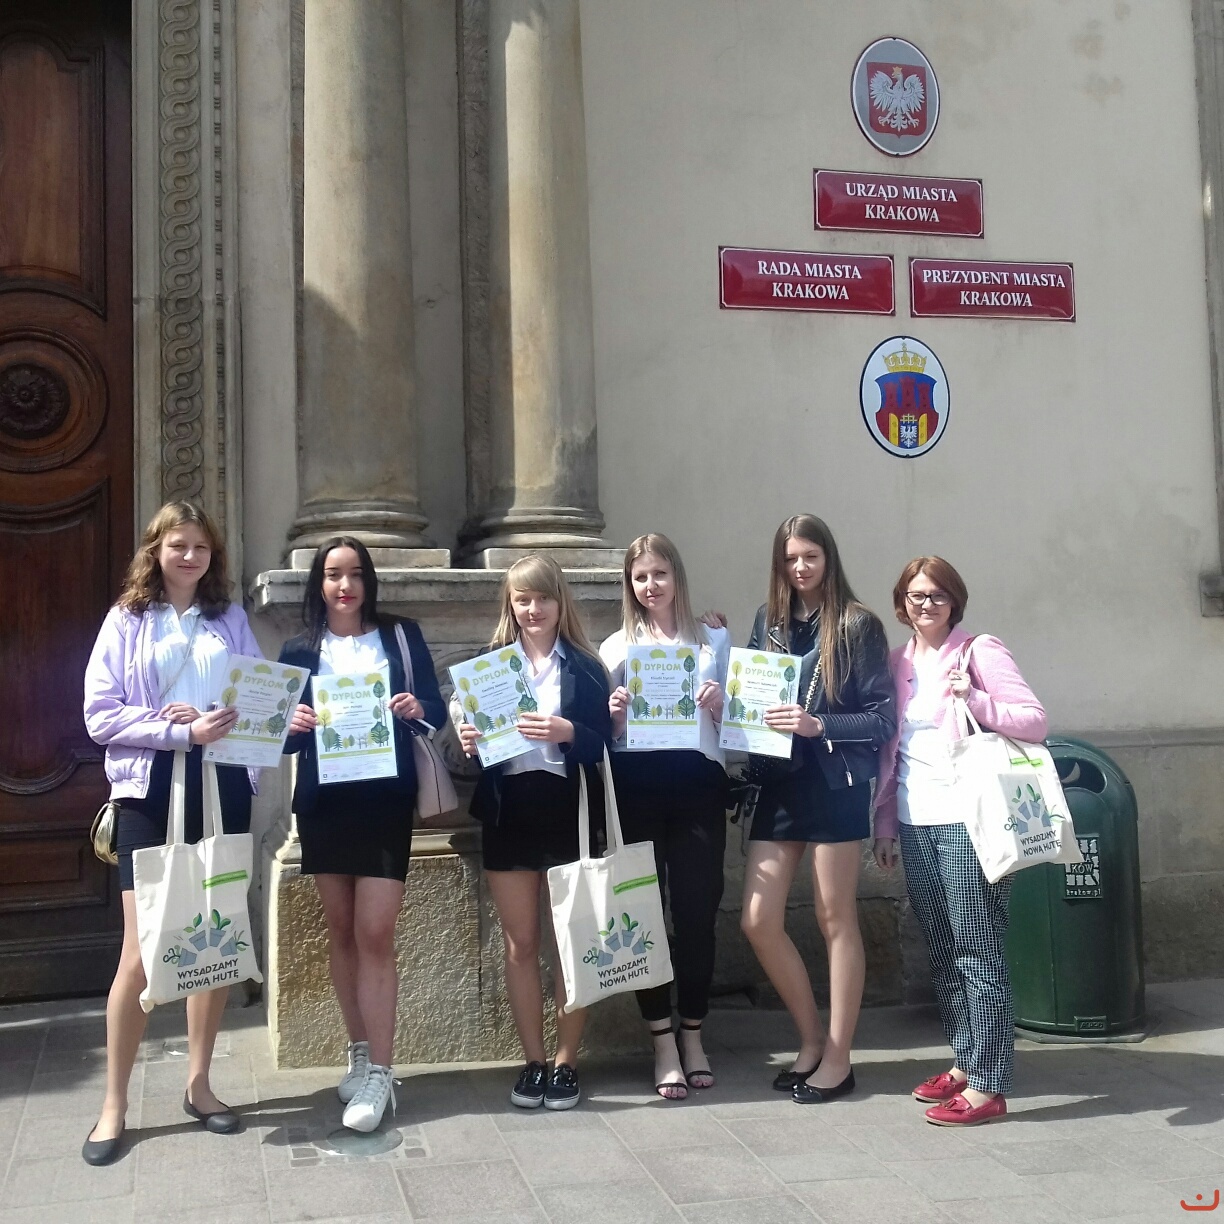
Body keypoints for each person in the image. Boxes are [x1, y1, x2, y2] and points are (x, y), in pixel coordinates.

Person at [81, 502, 259, 1165]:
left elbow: (257, 699)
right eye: (178, 545)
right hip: (148, 790)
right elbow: (100, 714)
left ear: (214, 556)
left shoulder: (229, 619)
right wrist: (176, 728)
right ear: (155, 550)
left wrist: (228, 719)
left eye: (201, 547)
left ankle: (199, 1083)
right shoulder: (128, 620)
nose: (190, 556)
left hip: (222, 785)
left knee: (213, 934)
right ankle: (114, 1105)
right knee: (140, 949)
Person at [873, 556, 1047, 1126]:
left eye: (938, 595)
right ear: (902, 603)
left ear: (955, 601)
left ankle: (990, 1085)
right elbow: (894, 752)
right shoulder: (897, 662)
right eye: (917, 595)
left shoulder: (979, 651)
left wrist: (975, 700)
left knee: (978, 949)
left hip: (971, 822)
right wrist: (885, 824)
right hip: (915, 819)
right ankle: (968, 1061)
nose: (927, 604)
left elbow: (1034, 720)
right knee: (945, 950)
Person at [280, 537, 445, 1132]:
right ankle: (357, 1051)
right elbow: (277, 734)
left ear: (369, 581)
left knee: (375, 932)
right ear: (319, 584)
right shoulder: (299, 649)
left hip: (383, 803)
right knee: (342, 930)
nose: (344, 585)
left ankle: (381, 1073)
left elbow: (436, 710)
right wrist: (292, 724)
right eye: (333, 574)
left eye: (354, 574)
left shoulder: (400, 636)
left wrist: (415, 708)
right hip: (325, 805)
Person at [732, 515, 895, 1103]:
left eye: (810, 557)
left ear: (829, 558)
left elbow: (882, 719)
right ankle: (810, 1040)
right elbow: (753, 696)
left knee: (835, 919)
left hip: (834, 782)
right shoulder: (768, 621)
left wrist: (817, 724)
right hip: (780, 782)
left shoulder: (857, 624)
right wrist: (726, 697)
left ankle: (839, 1059)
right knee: (757, 919)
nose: (800, 568)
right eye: (790, 558)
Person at [456, 554, 611, 1112]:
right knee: (520, 944)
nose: (534, 608)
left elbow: (606, 744)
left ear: (559, 601)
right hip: (510, 810)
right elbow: (472, 740)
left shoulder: (586, 667)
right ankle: (533, 1061)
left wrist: (569, 731)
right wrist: (469, 738)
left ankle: (567, 1062)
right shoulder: (488, 665)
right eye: (523, 599)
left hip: (568, 810)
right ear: (511, 605)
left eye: (543, 597)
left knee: (570, 944)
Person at [599, 534, 729, 1100]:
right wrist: (615, 717)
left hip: (699, 785)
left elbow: (742, 724)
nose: (650, 585)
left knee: (697, 913)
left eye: (659, 573)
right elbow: (603, 736)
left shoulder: (714, 639)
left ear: (677, 575)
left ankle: (693, 1033)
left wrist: (722, 705)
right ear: (629, 585)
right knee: (642, 917)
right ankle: (661, 1042)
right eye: (640, 577)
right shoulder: (614, 648)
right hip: (638, 788)